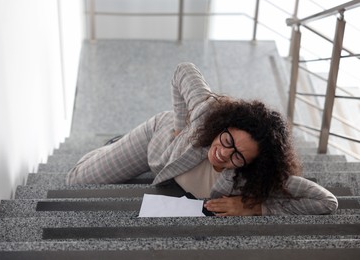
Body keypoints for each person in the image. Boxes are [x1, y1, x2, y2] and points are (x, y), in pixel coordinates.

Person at [66, 62, 338, 216]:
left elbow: (327, 202)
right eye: (228, 140)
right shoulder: (206, 112)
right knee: (76, 180)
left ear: (252, 165)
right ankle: (115, 145)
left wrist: (255, 208)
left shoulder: (254, 179)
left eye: (238, 156)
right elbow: (182, 71)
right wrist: (178, 125)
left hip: (175, 177)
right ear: (225, 124)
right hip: (156, 144)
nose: (224, 154)